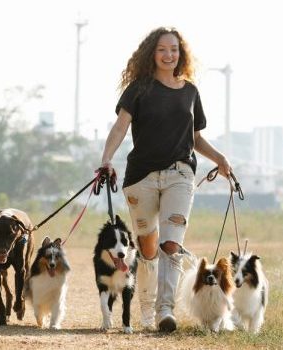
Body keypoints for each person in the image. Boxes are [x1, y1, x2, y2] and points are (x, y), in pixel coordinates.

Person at [100, 26, 233, 333]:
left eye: (174, 49)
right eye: (162, 49)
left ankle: (165, 310)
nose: (169, 54)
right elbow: (120, 127)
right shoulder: (139, 89)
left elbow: (196, 138)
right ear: (152, 53)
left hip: (180, 174)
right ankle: (146, 307)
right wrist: (106, 159)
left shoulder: (190, 92)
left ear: (180, 53)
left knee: (171, 244)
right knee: (147, 248)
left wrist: (221, 160)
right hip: (141, 177)